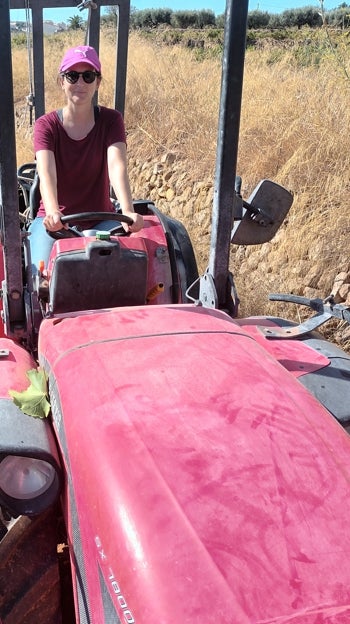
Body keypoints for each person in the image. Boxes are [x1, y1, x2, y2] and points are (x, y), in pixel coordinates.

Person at [29, 44, 143, 273]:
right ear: (62, 81)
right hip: (55, 222)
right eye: (72, 76)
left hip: (102, 220)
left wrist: (128, 212)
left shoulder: (111, 121)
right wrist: (52, 212)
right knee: (39, 277)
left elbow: (116, 165)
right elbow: (46, 172)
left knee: (130, 268)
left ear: (97, 82)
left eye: (88, 76)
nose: (80, 83)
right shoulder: (46, 125)